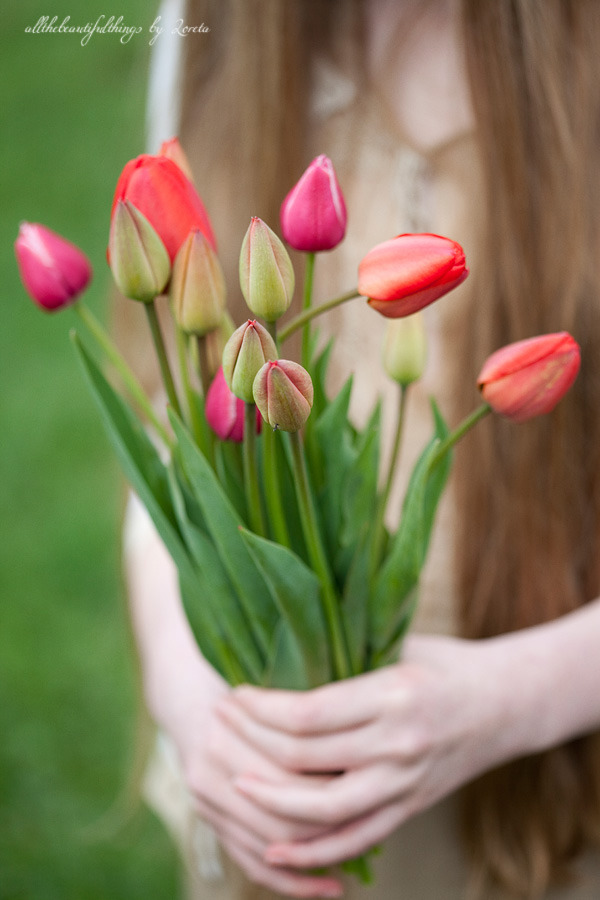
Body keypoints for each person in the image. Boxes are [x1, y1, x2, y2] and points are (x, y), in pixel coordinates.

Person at [123, 1, 600, 897]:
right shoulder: (210, 20)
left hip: (555, 781)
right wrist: (189, 692)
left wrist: (523, 695)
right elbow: (174, 411)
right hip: (277, 784)